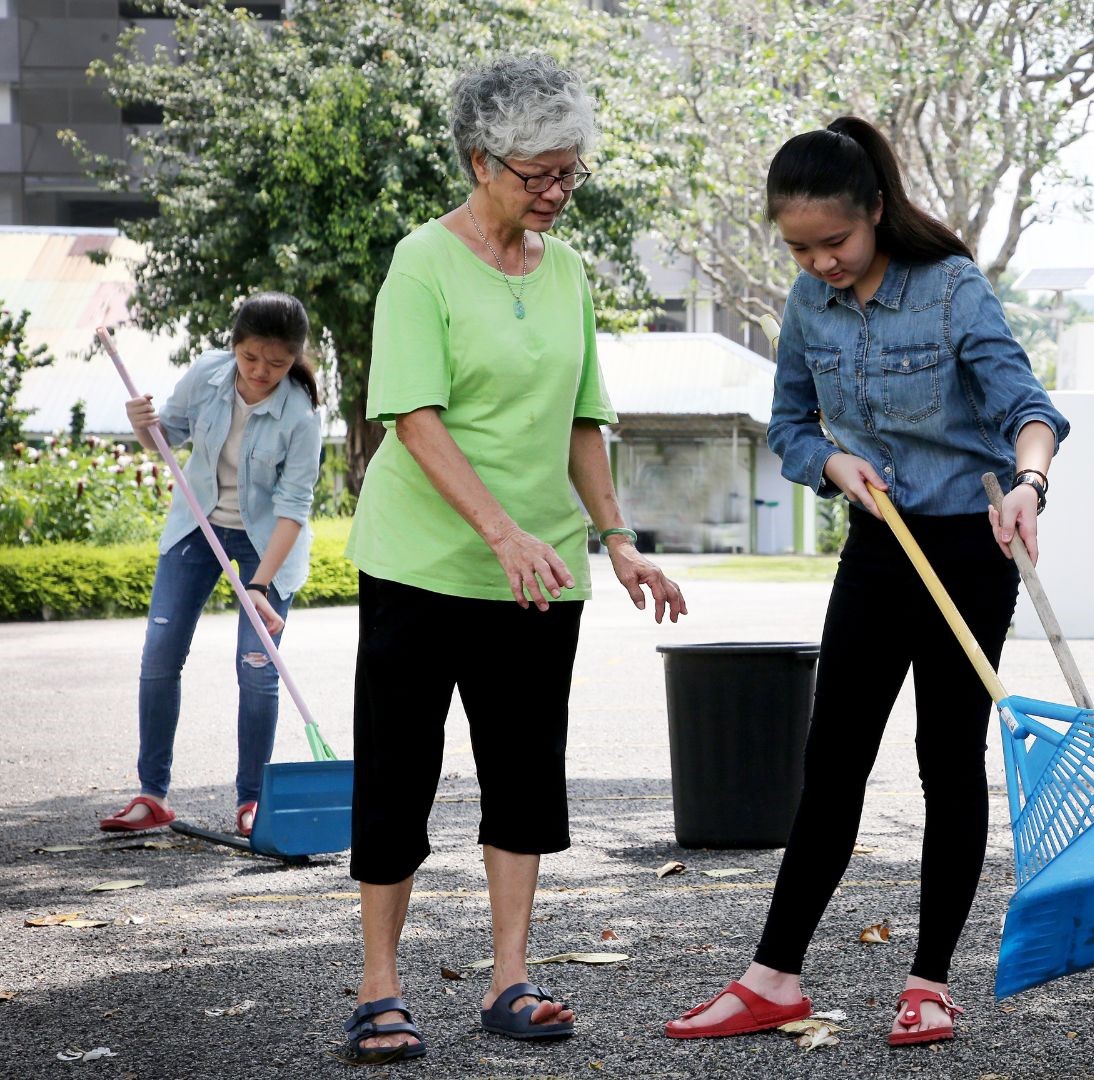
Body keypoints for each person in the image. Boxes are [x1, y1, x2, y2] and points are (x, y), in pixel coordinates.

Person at [665, 116, 1068, 1048]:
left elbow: (1029, 411)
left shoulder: (951, 289)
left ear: (876, 212)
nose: (819, 263)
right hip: (879, 547)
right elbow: (793, 425)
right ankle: (774, 978)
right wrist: (831, 466)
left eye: (834, 242)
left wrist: (1030, 487)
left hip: (972, 547)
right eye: (799, 247)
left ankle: (929, 981)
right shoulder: (808, 306)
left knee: (945, 758)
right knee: (833, 761)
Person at [334, 54, 686, 1066]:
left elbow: (583, 418)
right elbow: (412, 417)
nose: (557, 192)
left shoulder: (566, 271)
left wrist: (617, 542)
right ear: (482, 161)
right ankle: (379, 985)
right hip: (424, 564)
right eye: (539, 175)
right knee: (399, 771)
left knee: (526, 773)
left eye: (570, 173)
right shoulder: (423, 262)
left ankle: (510, 977)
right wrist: (499, 529)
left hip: (539, 575)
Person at [100, 292, 323, 841]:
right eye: (250, 358)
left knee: (257, 669)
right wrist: (140, 422)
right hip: (195, 529)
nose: (261, 372)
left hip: (266, 547)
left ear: (295, 357)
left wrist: (261, 586)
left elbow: (293, 509)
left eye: (276, 363)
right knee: (160, 656)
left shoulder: (302, 416)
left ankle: (250, 801)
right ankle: (152, 795)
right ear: (234, 346)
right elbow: (166, 438)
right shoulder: (208, 375)